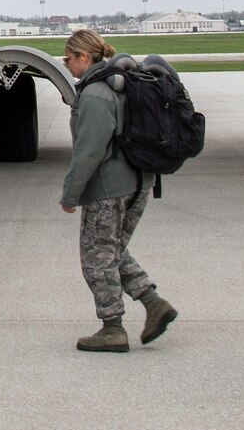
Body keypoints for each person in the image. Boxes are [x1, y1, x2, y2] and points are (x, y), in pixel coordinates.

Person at [60, 30, 175, 353]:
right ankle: (154, 303)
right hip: (141, 181)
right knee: (111, 250)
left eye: (68, 58)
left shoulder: (97, 93)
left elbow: (89, 150)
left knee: (95, 258)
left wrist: (71, 193)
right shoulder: (122, 83)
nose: (65, 63)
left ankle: (112, 328)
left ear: (84, 57)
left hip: (111, 187)